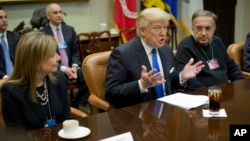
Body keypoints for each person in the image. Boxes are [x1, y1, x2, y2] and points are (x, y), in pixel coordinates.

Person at [105, 7, 204, 109]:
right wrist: (141, 85)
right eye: (157, 28)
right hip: (138, 114)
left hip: (166, 112)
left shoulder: (165, 50)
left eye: (165, 27)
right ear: (142, 31)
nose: (163, 33)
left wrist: (182, 76)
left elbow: (166, 82)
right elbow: (111, 94)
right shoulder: (122, 54)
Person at [0, 31, 72, 132]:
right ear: (35, 61)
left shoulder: (58, 78)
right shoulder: (11, 91)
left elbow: (67, 118)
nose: (58, 58)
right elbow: (16, 135)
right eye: (52, 55)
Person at [175, 9, 244, 90]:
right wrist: (210, 94)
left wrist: (241, 84)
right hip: (201, 95)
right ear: (192, 28)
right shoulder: (185, 46)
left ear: (214, 29)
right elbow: (188, 80)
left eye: (208, 28)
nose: (203, 33)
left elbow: (231, 67)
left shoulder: (217, 41)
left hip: (224, 92)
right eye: (199, 28)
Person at [41, 3, 89, 108]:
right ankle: (64, 107)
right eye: (55, 13)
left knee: (87, 75)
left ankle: (76, 104)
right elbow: (45, 58)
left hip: (72, 66)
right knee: (59, 78)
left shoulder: (69, 30)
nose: (59, 15)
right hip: (55, 68)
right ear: (48, 16)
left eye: (60, 12)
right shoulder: (43, 33)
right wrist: (64, 69)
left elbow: (76, 51)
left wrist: (75, 67)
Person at [0, 7, 20, 80]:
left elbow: (22, 59)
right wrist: (5, 77)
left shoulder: (15, 37)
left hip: (18, 78)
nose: (4, 20)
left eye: (5, 17)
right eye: (0, 18)